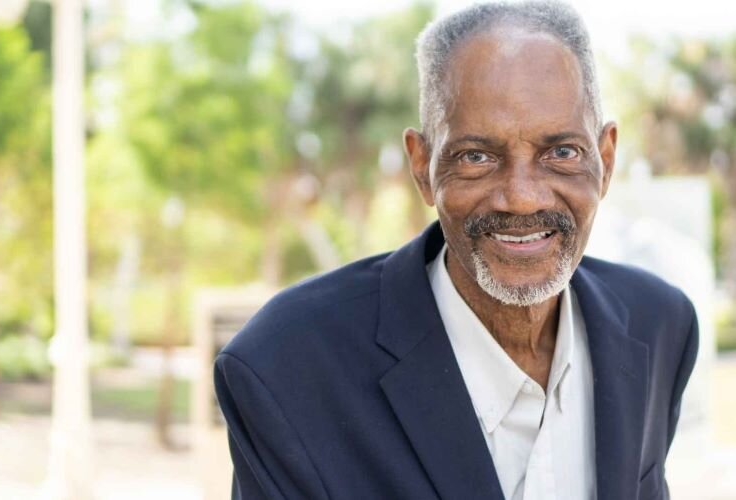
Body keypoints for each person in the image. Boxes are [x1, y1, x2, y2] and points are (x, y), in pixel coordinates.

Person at [214, 2, 699, 499]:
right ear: (422, 167)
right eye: (476, 157)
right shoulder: (286, 367)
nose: (523, 196)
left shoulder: (658, 325)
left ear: (607, 158)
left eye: (561, 152)